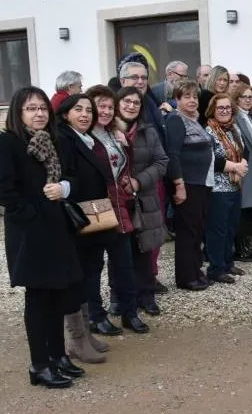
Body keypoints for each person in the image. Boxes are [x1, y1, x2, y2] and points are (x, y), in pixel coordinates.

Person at [0, 87, 84, 387]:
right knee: (38, 299)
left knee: (58, 294)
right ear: (19, 113)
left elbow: (72, 175)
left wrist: (64, 189)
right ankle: (39, 365)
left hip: (57, 229)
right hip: (30, 233)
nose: (39, 113)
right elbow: (4, 192)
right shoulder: (7, 142)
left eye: (43, 108)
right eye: (31, 108)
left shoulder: (54, 140)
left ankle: (58, 356)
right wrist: (32, 213)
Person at [53, 94, 117, 363]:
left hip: (94, 215)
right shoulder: (65, 139)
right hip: (77, 218)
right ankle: (75, 339)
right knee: (78, 277)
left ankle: (85, 333)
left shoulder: (87, 139)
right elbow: (66, 177)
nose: (85, 114)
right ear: (65, 113)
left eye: (89, 110)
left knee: (90, 273)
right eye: (78, 109)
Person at [84, 85, 148, 334]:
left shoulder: (114, 133)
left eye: (110, 107)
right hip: (95, 205)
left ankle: (129, 311)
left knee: (124, 261)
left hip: (120, 203)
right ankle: (96, 315)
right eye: (101, 105)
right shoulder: (83, 136)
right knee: (94, 264)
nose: (107, 111)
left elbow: (121, 166)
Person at [115, 86, 168, 317]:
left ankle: (147, 295)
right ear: (118, 103)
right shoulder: (106, 132)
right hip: (117, 199)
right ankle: (119, 297)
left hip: (144, 196)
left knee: (145, 249)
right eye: (126, 101)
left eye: (136, 103)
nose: (131, 106)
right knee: (119, 253)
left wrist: (138, 181)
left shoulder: (148, 131)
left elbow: (161, 162)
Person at [165, 81, 214, 291]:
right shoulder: (176, 120)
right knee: (187, 233)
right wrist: (179, 185)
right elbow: (173, 155)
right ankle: (186, 278)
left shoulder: (194, 120)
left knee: (197, 230)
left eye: (195, 96)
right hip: (188, 184)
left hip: (201, 184)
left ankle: (196, 272)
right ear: (177, 100)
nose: (192, 100)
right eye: (187, 97)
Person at [203, 93, 249, 284]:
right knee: (218, 230)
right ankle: (215, 268)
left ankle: (228, 262)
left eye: (227, 108)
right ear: (213, 110)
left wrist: (243, 165)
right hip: (217, 189)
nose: (224, 111)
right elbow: (210, 159)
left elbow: (242, 150)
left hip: (235, 186)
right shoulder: (208, 131)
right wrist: (234, 167)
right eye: (220, 108)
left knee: (231, 227)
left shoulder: (234, 128)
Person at [230, 83, 252, 262]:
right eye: (243, 97)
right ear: (236, 99)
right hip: (242, 168)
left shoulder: (249, 118)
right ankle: (240, 248)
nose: (247, 100)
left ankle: (245, 245)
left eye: (250, 97)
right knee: (242, 210)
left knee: (249, 210)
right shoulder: (235, 117)